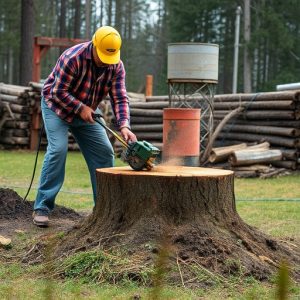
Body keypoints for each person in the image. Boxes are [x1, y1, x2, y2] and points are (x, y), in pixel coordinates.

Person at [33, 26, 136, 227]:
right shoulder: (72, 58)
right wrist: (80, 108)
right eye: (102, 57)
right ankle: (42, 207)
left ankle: (104, 209)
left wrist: (124, 125)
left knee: (105, 152)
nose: (105, 63)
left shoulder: (116, 65)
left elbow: (120, 98)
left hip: (87, 113)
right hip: (57, 108)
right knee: (58, 150)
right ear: (94, 45)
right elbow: (57, 91)